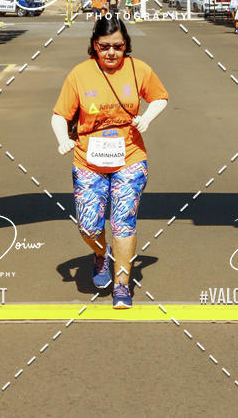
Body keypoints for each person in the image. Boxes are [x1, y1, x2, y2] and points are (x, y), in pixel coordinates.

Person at [50, 16, 168, 308]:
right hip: (88, 160)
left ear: (126, 45)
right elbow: (59, 115)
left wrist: (147, 118)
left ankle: (122, 285)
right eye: (105, 47)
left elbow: (160, 97)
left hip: (130, 156)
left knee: (123, 222)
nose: (112, 53)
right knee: (89, 227)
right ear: (95, 45)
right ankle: (101, 254)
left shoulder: (138, 69)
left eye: (118, 46)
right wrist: (63, 138)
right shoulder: (79, 74)